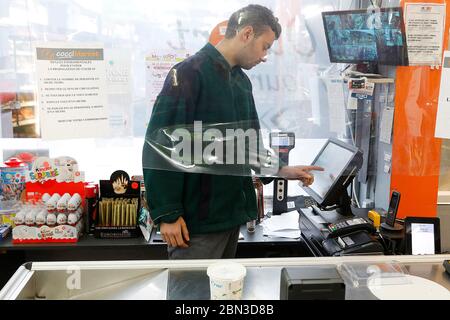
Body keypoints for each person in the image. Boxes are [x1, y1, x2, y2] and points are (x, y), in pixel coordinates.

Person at [142, 4, 323, 260]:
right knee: (193, 296)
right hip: (195, 224)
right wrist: (167, 214)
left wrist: (284, 170)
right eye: (265, 46)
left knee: (223, 292)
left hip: (230, 216)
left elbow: (248, 148)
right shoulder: (189, 74)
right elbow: (158, 147)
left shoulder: (240, 82)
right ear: (247, 33)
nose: (264, 56)